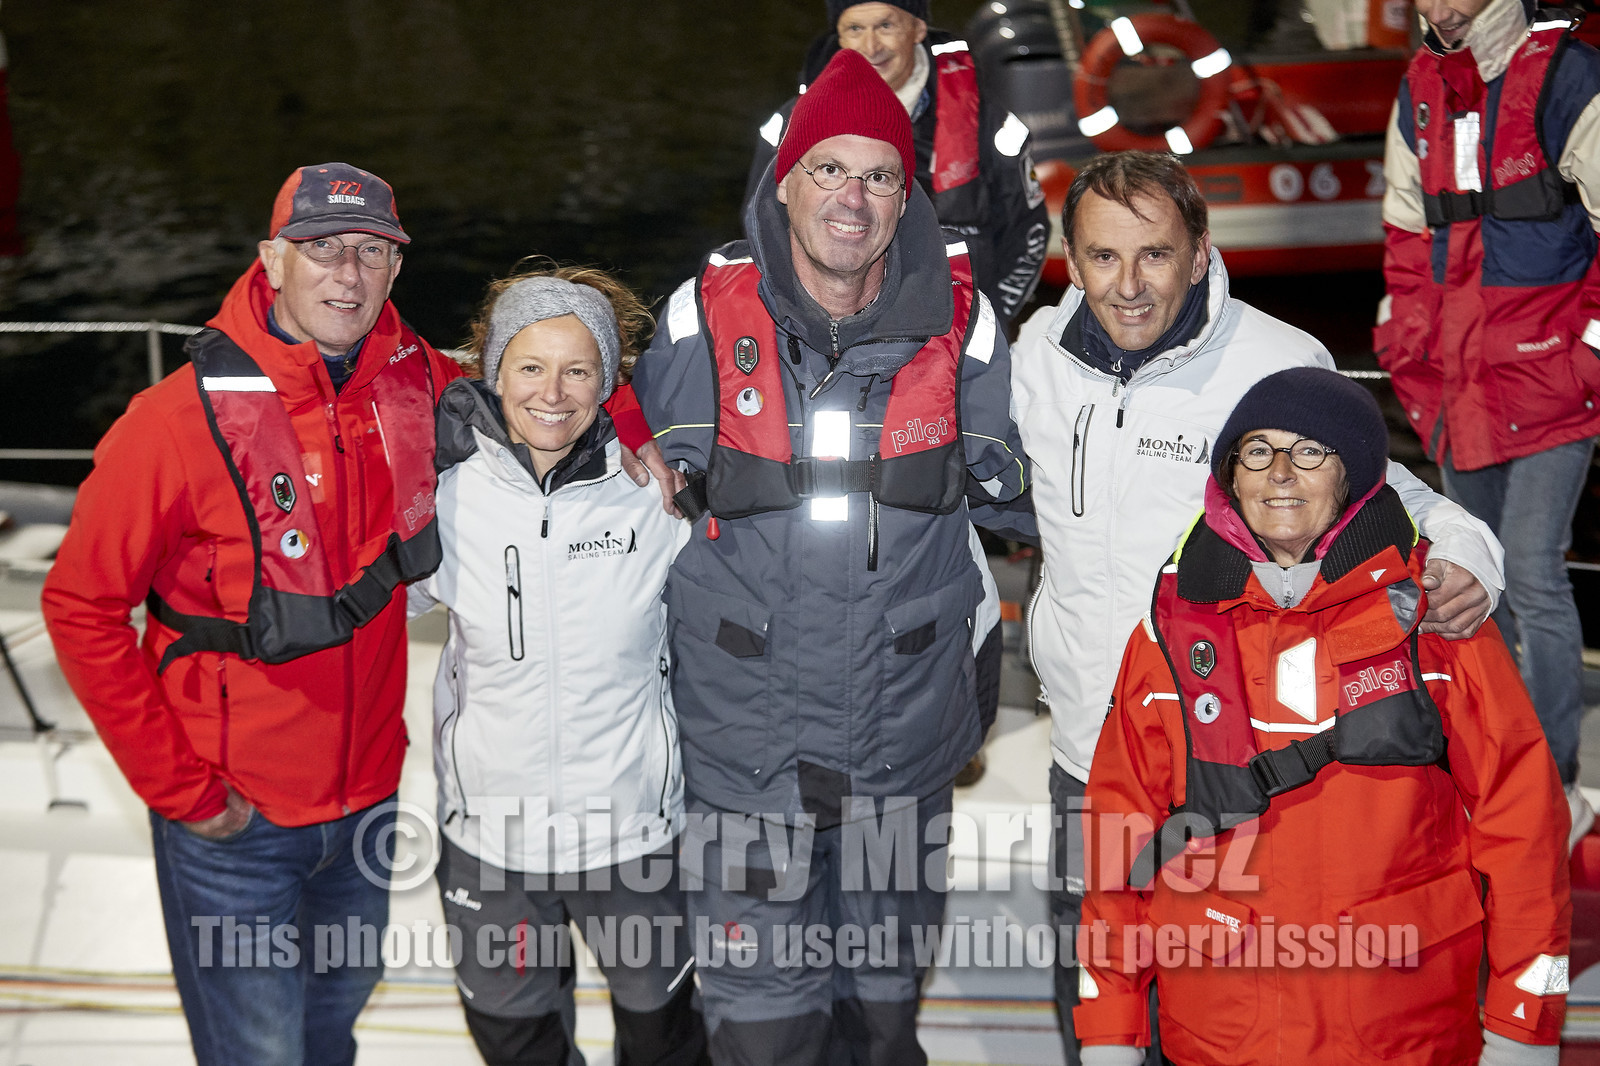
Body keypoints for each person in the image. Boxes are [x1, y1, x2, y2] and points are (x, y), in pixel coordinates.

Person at [1008, 150, 1505, 1062]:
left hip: (1236, 768)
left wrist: (1472, 555)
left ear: (1200, 253)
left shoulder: (1275, 358)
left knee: (1233, 1022)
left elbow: (1394, 494)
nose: (1128, 285)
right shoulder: (1034, 356)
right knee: (1098, 1012)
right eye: (1103, 258)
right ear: (1071, 262)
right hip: (1091, 757)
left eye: (1154, 255)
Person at [632, 47, 1030, 1065]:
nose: (851, 197)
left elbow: (1074, 472)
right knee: (764, 1035)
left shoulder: (970, 329)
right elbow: (577, 448)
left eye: (880, 174)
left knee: (882, 1024)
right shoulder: (694, 321)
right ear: (785, 181)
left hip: (901, 755)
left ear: (906, 200)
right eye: (828, 169)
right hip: (744, 763)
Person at [40, 163, 463, 1066]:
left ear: (396, 269)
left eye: (371, 251)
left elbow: (549, 385)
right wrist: (184, 794)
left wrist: (631, 428)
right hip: (237, 823)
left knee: (331, 1033)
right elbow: (80, 606)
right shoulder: (171, 422)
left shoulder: (420, 380)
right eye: (320, 249)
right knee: (260, 1054)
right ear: (272, 261)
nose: (347, 274)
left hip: (368, 808)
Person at [1075, 367, 1570, 1066]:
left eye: (1309, 451)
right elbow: (1116, 838)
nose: (1280, 472)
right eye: (1257, 451)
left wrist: (1525, 1024)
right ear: (1231, 477)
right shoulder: (1170, 631)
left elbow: (1525, 834)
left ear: (1354, 476)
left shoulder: (1434, 617)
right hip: (1225, 1033)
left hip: (1403, 1031)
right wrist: (1109, 1029)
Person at [410, 263, 706, 1066]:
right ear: (494, 371)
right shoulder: (446, 492)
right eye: (530, 367)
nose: (554, 392)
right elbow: (374, 606)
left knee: (665, 1043)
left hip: (634, 834)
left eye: (579, 370)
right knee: (517, 1046)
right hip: (491, 838)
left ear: (608, 383)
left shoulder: (655, 495)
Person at [1376, 0, 1600, 845]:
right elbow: (1404, 230)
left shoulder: (1570, 77)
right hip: (1457, 385)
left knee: (1535, 572)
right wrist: (1406, 345)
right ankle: (1493, 759)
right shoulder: (1422, 83)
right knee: (1478, 573)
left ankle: (1551, 779)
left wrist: (1587, 358)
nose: (1441, 7)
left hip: (1550, 382)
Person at [745, 0, 1050, 325]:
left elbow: (1028, 235)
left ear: (919, 28)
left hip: (956, 330)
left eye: (886, 26)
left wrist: (992, 320)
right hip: (825, 331)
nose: (871, 46)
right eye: (855, 29)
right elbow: (762, 228)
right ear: (839, 35)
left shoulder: (990, 125)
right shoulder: (788, 125)